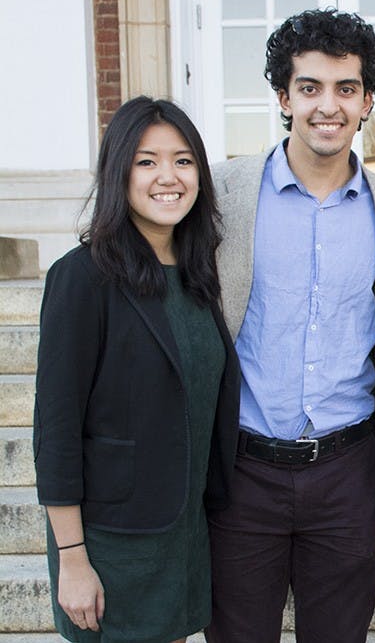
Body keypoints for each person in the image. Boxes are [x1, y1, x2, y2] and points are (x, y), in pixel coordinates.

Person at [205, 9, 375, 643]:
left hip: (345, 474)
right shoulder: (223, 196)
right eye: (310, 87)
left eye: (345, 88)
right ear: (283, 97)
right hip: (242, 470)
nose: (329, 106)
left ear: (367, 101)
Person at [33, 96, 240, 643]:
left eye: (183, 160)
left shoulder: (199, 276)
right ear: (118, 171)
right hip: (111, 541)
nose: (167, 177)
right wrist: (73, 558)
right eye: (146, 161)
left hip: (184, 535)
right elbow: (56, 430)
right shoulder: (83, 278)